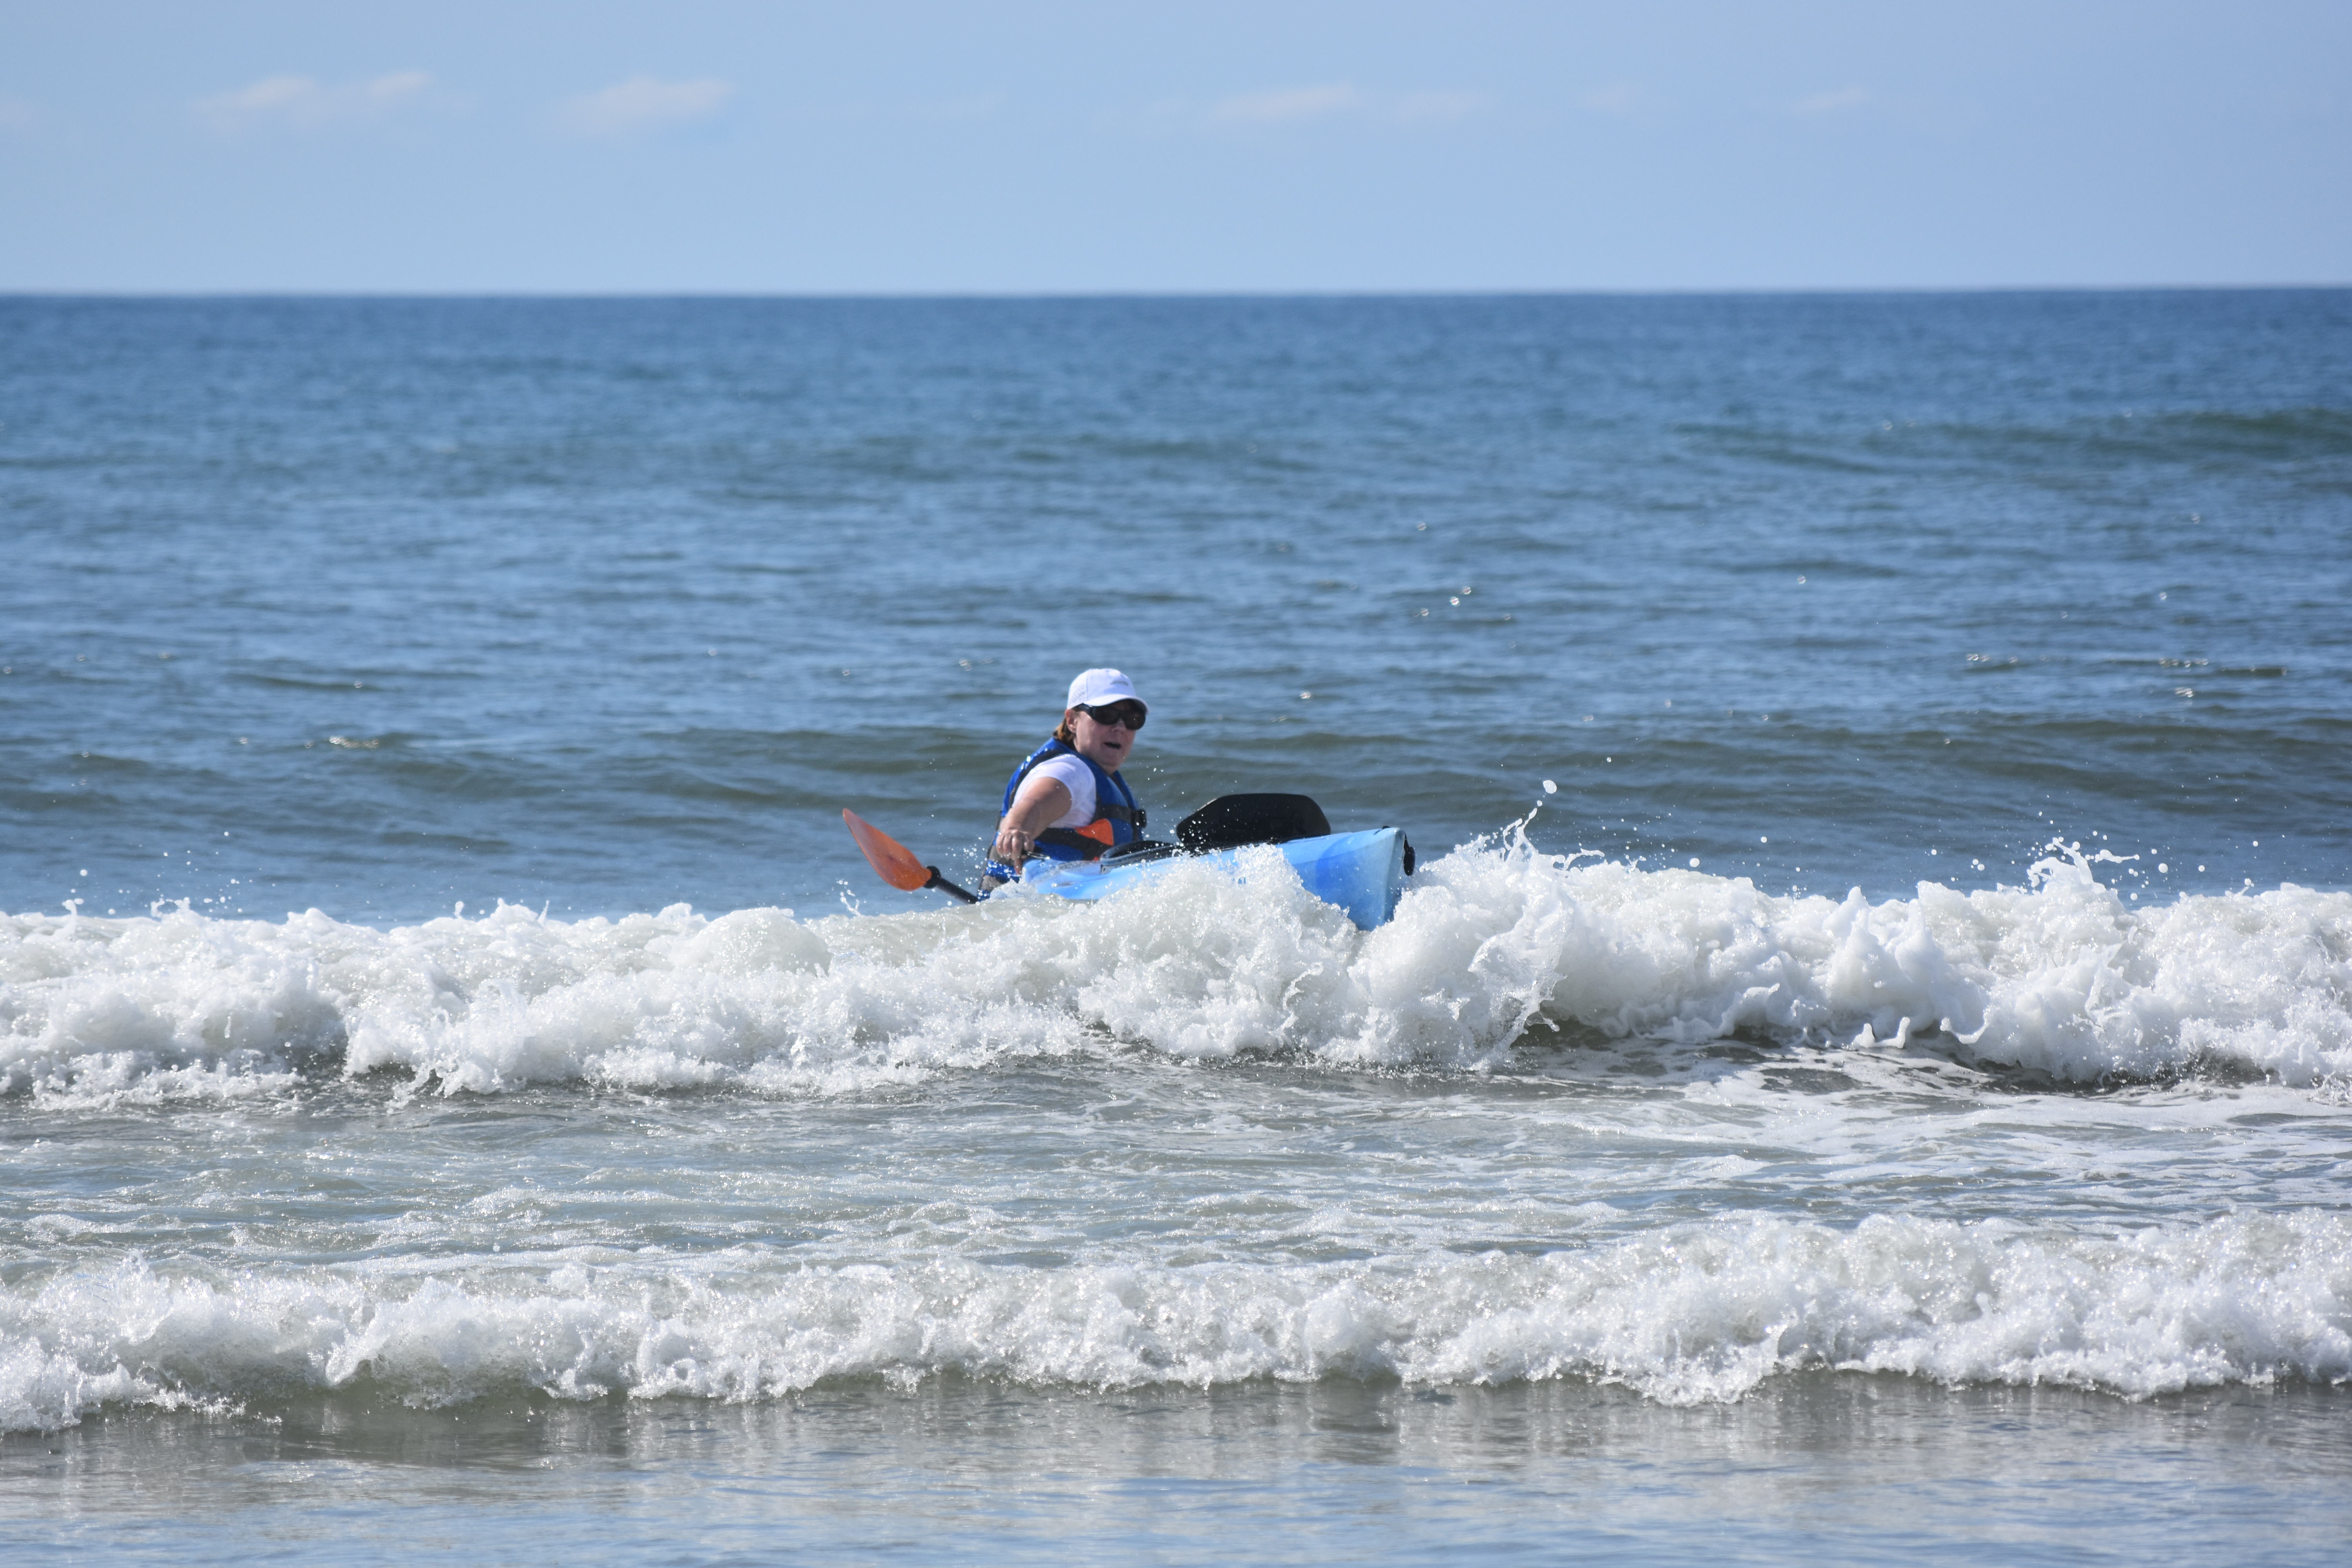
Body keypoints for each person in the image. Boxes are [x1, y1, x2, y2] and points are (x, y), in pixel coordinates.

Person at [982, 669, 1149, 891]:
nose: (1120, 727)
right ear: (1072, 721)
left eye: (1131, 720)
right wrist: (1017, 829)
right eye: (1106, 715)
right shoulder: (1071, 770)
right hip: (1027, 907)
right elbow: (1035, 803)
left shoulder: (1100, 775)